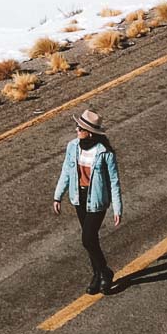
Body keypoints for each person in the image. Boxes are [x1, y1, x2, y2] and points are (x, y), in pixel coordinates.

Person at [52, 109, 124, 294]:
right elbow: (66, 172)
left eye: (80, 128)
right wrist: (57, 195)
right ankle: (97, 275)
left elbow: (114, 181)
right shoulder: (72, 147)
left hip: (97, 201)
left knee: (87, 238)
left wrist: (117, 208)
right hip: (79, 198)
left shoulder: (104, 153)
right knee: (91, 240)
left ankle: (105, 272)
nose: (76, 129)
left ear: (89, 132)